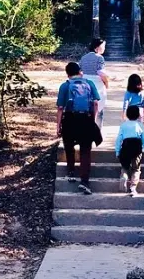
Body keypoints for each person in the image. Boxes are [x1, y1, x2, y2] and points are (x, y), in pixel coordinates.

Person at [56, 62, 102, 195]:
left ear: (68, 74)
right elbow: (95, 103)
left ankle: (71, 171)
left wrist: (58, 126)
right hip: (86, 120)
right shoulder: (89, 84)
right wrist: (92, 121)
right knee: (85, 150)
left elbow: (60, 108)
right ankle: (85, 181)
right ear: (80, 72)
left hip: (70, 119)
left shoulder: (65, 86)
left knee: (69, 145)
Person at [115, 106, 144, 196]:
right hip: (136, 148)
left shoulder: (123, 125)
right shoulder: (140, 125)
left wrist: (117, 151)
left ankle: (124, 177)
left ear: (127, 115)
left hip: (126, 147)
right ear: (138, 115)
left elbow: (118, 139)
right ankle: (133, 187)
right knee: (136, 169)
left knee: (125, 166)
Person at [79, 38, 109, 128]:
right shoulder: (100, 58)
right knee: (99, 110)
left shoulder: (83, 58)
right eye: (103, 46)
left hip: (85, 86)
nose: (104, 48)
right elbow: (101, 73)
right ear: (96, 47)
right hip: (97, 86)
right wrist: (107, 83)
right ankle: (97, 133)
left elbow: (80, 72)